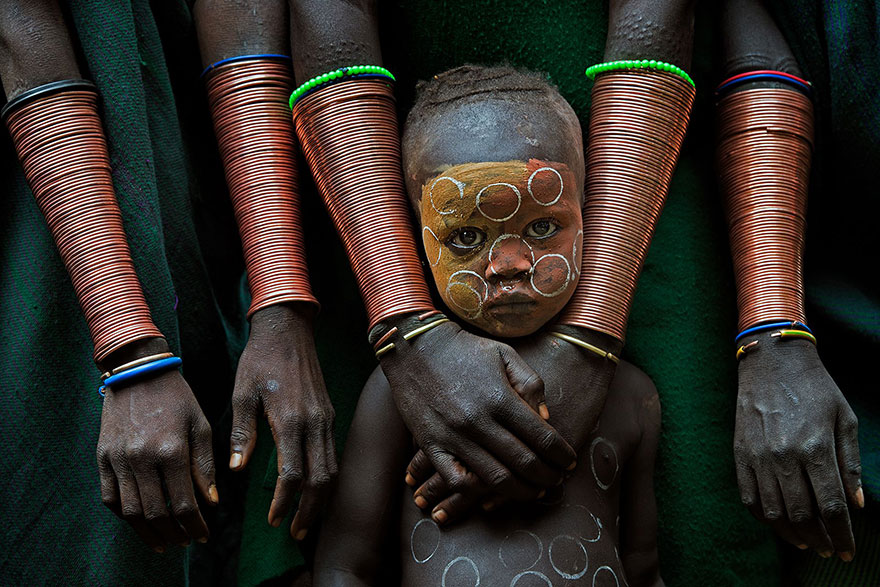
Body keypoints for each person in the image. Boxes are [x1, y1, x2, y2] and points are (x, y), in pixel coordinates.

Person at [313, 65, 663, 587]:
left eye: (543, 227)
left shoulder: (631, 396)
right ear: (413, 243)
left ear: (592, 216)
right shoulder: (400, 394)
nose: (509, 264)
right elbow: (345, 566)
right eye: (464, 238)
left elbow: (643, 567)